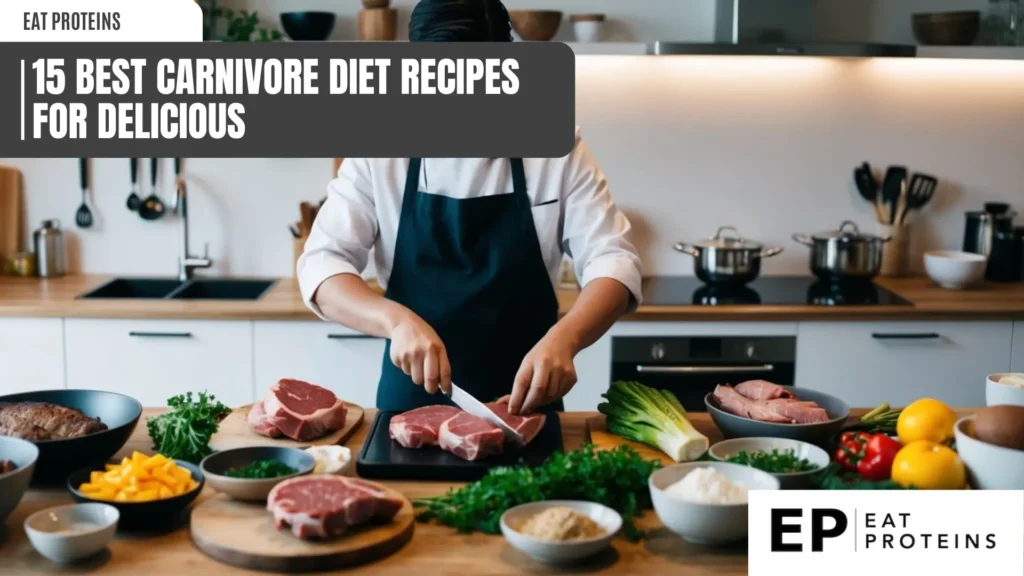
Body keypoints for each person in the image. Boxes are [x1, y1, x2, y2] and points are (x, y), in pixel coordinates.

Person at [298, 0, 641, 415]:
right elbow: (322, 265)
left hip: (525, 405)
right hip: (410, 409)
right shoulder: (379, 149)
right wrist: (394, 321)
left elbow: (614, 260)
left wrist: (566, 338)